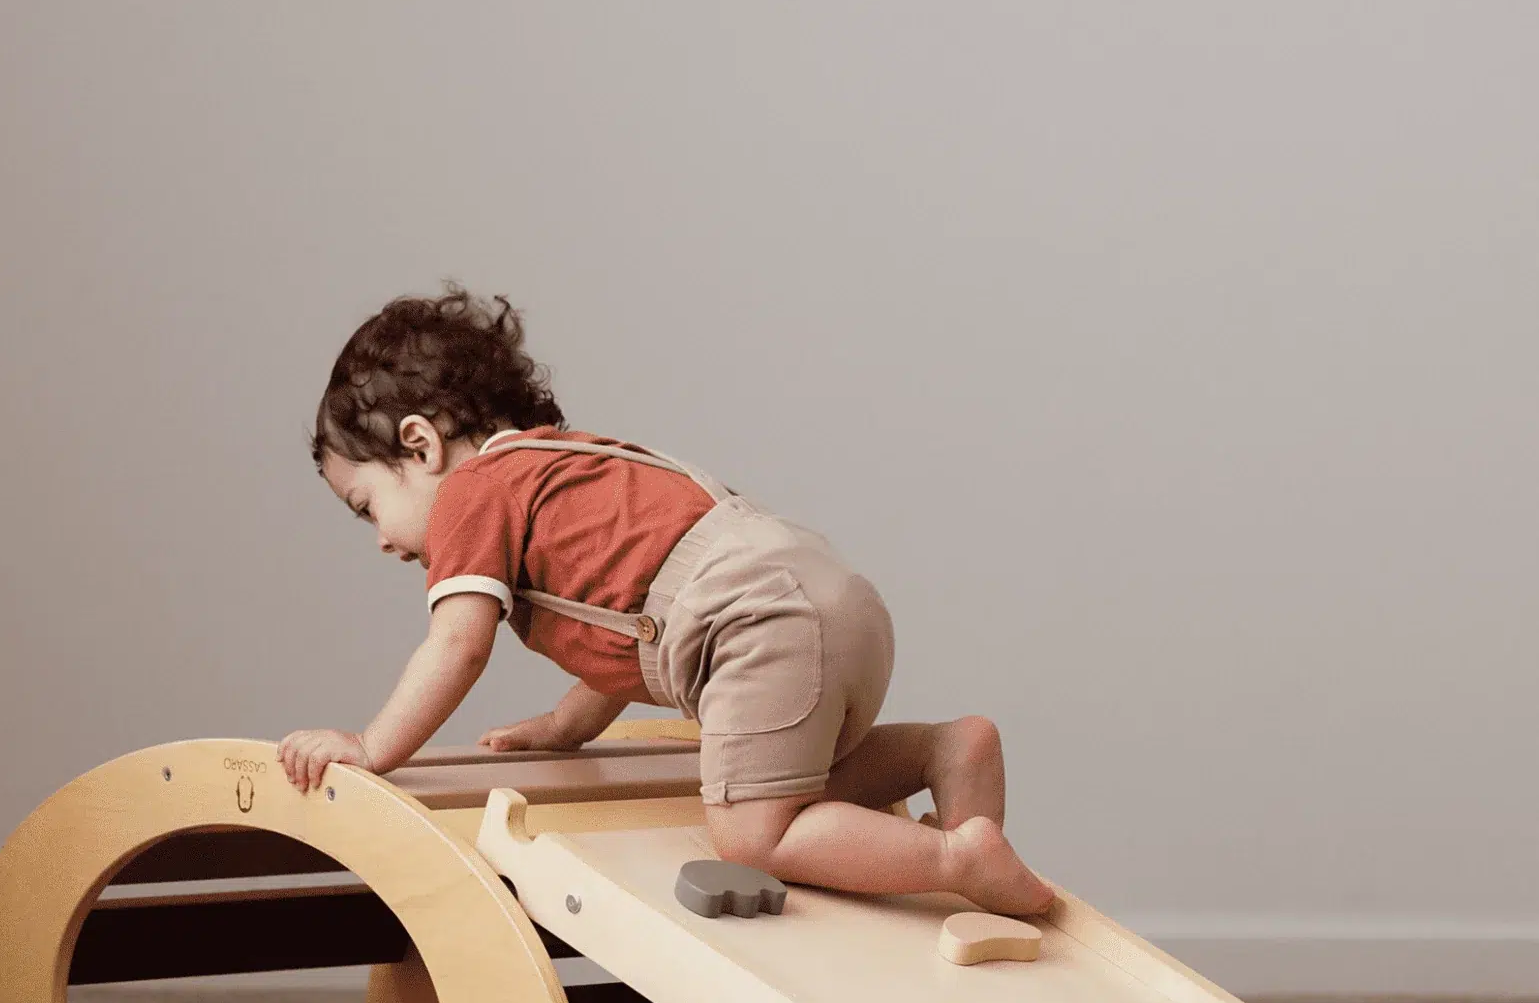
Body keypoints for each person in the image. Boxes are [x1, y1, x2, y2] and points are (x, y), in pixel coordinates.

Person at [279, 288, 1055, 917]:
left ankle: (957, 858)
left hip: (756, 626)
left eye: (365, 503)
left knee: (750, 837)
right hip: (829, 596)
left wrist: (373, 746)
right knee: (794, 787)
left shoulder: (474, 493)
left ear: (419, 445)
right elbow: (627, 621)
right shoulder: (573, 463)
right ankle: (941, 750)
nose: (379, 538)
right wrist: (564, 725)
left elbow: (457, 644)